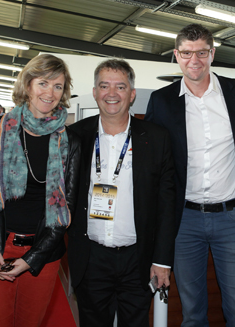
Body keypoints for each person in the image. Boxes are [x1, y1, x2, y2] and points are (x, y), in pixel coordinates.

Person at [0, 53, 80, 327]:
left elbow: (66, 208)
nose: (50, 92)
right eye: (43, 83)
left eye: (58, 86)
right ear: (27, 85)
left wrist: (32, 259)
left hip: (43, 252)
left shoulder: (70, 141)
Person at [145, 23, 235, 326]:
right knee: (192, 313)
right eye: (186, 53)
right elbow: (153, 164)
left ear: (213, 53)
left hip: (233, 217)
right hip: (184, 221)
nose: (194, 60)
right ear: (177, 55)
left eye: (202, 53)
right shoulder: (162, 101)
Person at [67, 59, 176, 327]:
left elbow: (166, 205)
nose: (111, 94)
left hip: (137, 260)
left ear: (132, 94)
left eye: (120, 86)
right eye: (104, 86)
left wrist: (162, 260)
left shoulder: (156, 138)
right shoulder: (74, 136)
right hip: (91, 257)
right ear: (94, 92)